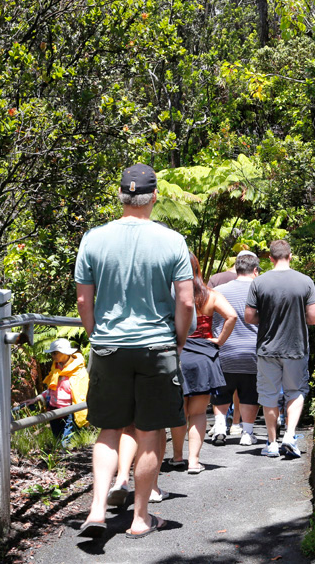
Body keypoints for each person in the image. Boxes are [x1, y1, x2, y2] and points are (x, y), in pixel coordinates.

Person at [75, 163, 193, 538]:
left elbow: (83, 300)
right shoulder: (172, 241)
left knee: (109, 429)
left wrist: (98, 334)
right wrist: (178, 339)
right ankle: (140, 518)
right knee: (148, 431)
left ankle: (96, 509)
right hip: (155, 345)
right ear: (154, 197)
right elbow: (186, 303)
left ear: (121, 196)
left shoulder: (93, 239)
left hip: (108, 346)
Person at [245, 239, 315, 457]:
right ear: (290, 256)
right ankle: (290, 435)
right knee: (295, 392)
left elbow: (249, 317)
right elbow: (313, 319)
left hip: (267, 349)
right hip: (295, 348)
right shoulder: (305, 281)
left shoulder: (259, 283)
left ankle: (272, 443)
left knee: (268, 395)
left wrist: (267, 318)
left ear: (270, 258)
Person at [178, 253, 237, 473]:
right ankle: (193, 461)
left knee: (179, 410)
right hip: (203, 354)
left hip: (180, 354)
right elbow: (231, 316)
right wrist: (219, 340)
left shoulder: (173, 296)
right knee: (198, 412)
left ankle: (176, 457)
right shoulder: (210, 295)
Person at [209, 251, 262, 446]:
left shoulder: (218, 290)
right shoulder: (260, 290)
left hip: (224, 349)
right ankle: (247, 433)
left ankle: (220, 428)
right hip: (253, 351)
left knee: (222, 391)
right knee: (249, 393)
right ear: (255, 270)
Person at [16, 338, 89, 448]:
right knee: (58, 441)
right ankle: (60, 462)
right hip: (53, 410)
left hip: (70, 412)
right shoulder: (56, 368)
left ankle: (66, 461)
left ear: (65, 353)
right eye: (52, 353)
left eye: (55, 353)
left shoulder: (78, 371)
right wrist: (37, 398)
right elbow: (52, 389)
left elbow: (82, 393)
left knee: (66, 443)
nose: (53, 356)